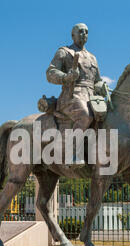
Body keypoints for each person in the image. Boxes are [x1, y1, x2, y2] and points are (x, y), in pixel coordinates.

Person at [46, 23, 107, 166]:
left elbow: (96, 81)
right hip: (71, 96)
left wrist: (101, 86)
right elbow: (50, 73)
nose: (84, 34)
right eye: (80, 32)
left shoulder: (92, 58)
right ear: (72, 35)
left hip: (91, 96)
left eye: (86, 32)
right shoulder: (64, 52)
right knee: (85, 115)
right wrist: (66, 77)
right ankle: (73, 153)